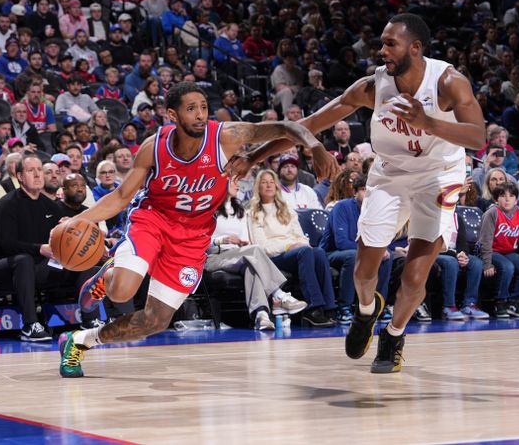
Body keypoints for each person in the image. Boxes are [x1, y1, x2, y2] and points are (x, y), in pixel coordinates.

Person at [228, 14, 485, 373]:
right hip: (390, 174)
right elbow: (307, 125)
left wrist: (426, 122)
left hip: (438, 177)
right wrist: (254, 156)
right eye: (380, 43)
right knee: (364, 272)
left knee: (414, 277)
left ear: (415, 47)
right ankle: (367, 311)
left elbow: (478, 137)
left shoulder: (448, 82)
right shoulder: (372, 87)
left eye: (389, 44)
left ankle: (394, 334)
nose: (381, 51)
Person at [57, 82, 336, 378]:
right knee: (123, 289)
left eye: (203, 107)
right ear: (172, 115)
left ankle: (81, 341)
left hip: (193, 236)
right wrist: (81, 220)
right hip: (154, 220)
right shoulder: (154, 146)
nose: (201, 115)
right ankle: (110, 275)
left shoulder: (226, 137)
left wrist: (315, 146)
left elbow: (286, 126)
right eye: (191, 109)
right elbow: (121, 196)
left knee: (156, 321)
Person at [0, 155, 102, 342]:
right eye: (31, 171)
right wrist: (40, 248)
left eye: (40, 170)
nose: (38, 174)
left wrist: (66, 230)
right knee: (24, 260)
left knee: (84, 264)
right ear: (20, 176)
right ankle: (30, 325)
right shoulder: (7, 203)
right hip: (1, 267)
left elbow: (57, 241)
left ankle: (91, 321)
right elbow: (7, 245)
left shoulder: (51, 206)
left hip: (37, 267)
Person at [205, 177, 307, 330]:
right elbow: (199, 241)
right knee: (254, 253)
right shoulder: (207, 209)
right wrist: (221, 240)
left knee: (252, 267)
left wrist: (242, 242)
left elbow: (246, 239)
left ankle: (262, 316)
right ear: (221, 184)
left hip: (239, 254)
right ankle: (279, 295)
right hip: (215, 257)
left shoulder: (239, 209)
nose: (237, 185)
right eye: (233, 181)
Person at [247, 170, 338, 327]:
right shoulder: (254, 212)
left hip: (297, 252)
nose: (268, 185)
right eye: (264, 182)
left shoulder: (287, 209)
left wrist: (302, 244)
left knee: (318, 252)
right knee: (305, 252)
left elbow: (300, 236)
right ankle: (313, 309)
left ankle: (329, 308)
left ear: (276, 185)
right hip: (273, 258)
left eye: (271, 181)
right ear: (258, 187)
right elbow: (262, 247)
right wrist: (289, 245)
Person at [320, 173, 391, 324]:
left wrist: (378, 251)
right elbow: (342, 243)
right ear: (354, 192)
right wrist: (371, 252)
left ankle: (377, 306)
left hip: (358, 252)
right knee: (353, 256)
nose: (369, 195)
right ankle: (344, 307)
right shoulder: (341, 207)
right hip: (331, 254)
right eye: (365, 190)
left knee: (386, 256)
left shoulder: (376, 212)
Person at [478, 183, 519, 318]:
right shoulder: (492, 213)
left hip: (510, 252)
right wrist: (487, 264)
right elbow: (485, 241)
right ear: (496, 200)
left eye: (511, 196)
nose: (507, 199)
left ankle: (515, 301)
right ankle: (500, 301)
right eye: (503, 196)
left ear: (516, 200)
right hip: (492, 251)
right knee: (507, 267)